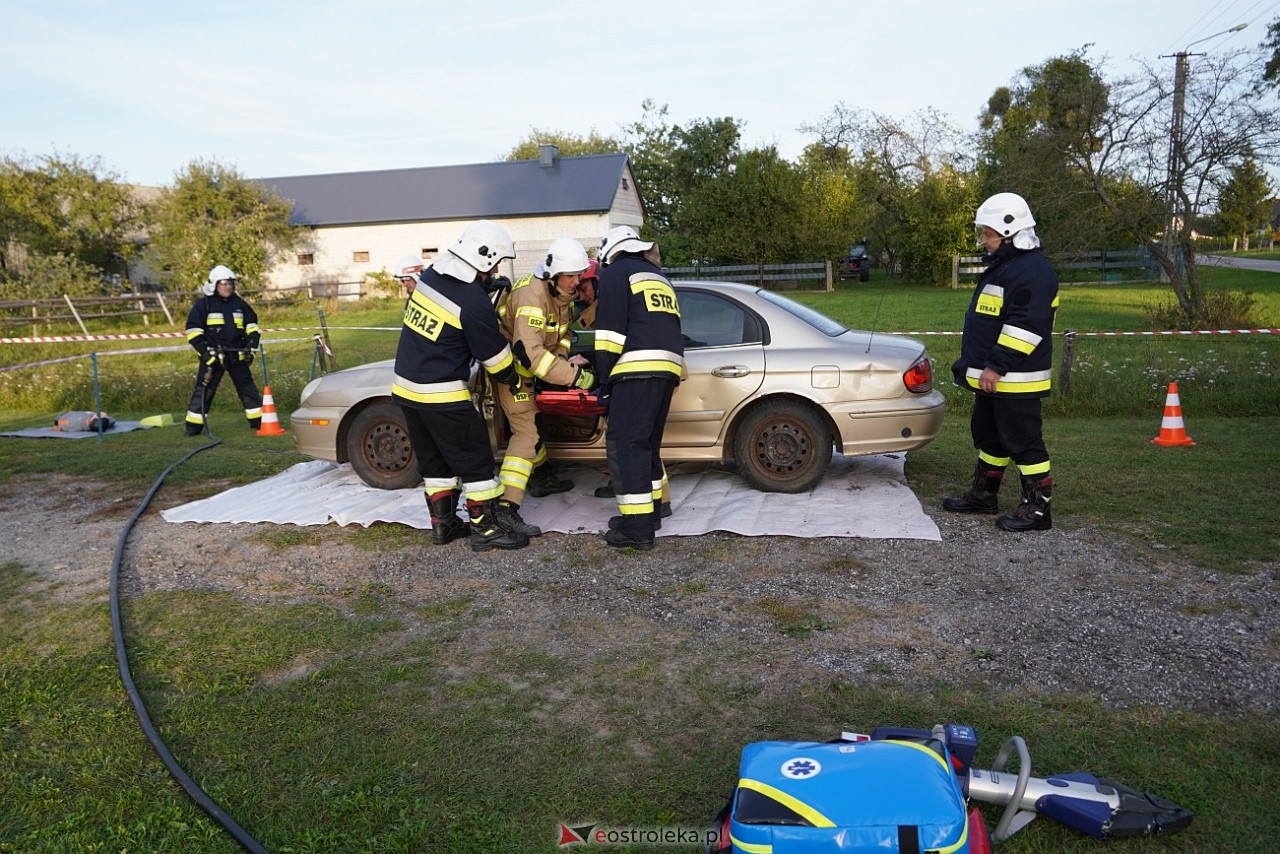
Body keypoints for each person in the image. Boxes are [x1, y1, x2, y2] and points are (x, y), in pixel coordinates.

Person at [392, 219, 529, 551]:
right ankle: (485, 530)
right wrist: (516, 375)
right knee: (475, 459)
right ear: (482, 257)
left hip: (406, 389)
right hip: (442, 394)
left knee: (436, 462)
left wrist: (483, 290)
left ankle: (444, 525)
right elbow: (495, 361)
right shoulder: (473, 302)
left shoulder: (430, 277)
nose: (496, 267)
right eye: (494, 261)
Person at [944, 192, 1060, 532]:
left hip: (1016, 378)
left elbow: (1026, 327)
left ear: (1009, 231)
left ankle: (1038, 511)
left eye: (987, 232)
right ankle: (984, 494)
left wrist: (996, 365)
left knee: (1023, 442)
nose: (983, 239)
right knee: (990, 438)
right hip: (994, 377)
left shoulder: (1033, 272)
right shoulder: (1007, 268)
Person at [492, 238, 596, 536]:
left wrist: (563, 364)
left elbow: (561, 339)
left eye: (580, 275)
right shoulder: (532, 296)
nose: (577, 282)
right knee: (527, 431)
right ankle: (506, 508)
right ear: (553, 274)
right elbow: (529, 351)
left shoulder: (560, 296)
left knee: (535, 422)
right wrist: (572, 377)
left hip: (530, 372)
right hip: (512, 373)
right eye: (572, 276)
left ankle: (541, 477)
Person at [593, 226, 684, 550]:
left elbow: (609, 335)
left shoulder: (618, 273)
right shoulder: (657, 276)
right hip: (667, 369)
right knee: (646, 444)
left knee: (626, 445)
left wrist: (603, 379)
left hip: (635, 369)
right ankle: (653, 511)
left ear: (610, 253)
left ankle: (637, 529)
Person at [183, 265, 263, 436]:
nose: (228, 287)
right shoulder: (203, 305)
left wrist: (251, 347)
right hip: (213, 356)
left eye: (230, 283)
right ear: (214, 285)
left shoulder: (240, 304)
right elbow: (193, 331)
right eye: (224, 283)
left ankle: (259, 422)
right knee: (204, 390)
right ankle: (193, 427)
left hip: (237, 354)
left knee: (247, 388)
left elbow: (252, 326)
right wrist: (205, 353)